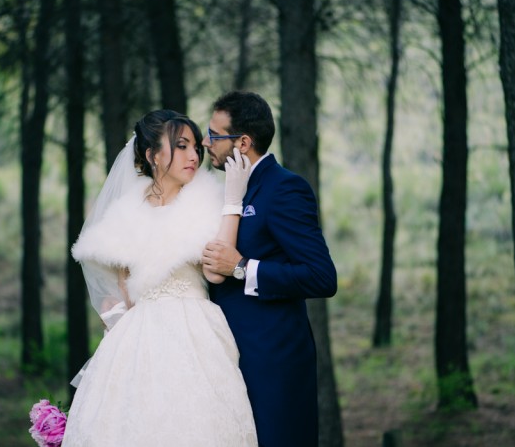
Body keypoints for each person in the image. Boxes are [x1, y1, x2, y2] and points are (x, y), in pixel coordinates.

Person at [62, 110, 258, 447]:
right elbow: (126, 288)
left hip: (196, 330)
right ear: (152, 155)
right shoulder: (126, 211)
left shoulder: (206, 200)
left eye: (196, 147)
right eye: (181, 147)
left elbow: (216, 268)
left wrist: (232, 201)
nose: (194, 156)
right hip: (139, 336)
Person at [201, 91, 338, 447]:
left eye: (215, 135)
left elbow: (321, 276)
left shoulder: (284, 189)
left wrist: (243, 267)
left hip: (273, 361)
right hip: (225, 358)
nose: (206, 142)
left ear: (243, 142)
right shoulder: (225, 190)